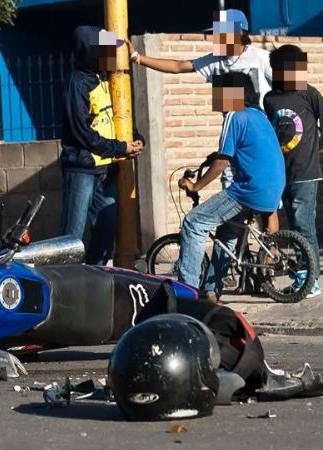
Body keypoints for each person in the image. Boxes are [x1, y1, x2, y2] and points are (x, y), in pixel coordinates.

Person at [126, 9, 273, 300]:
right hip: (243, 150)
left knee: (202, 221)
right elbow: (181, 65)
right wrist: (138, 59)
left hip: (256, 147)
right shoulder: (217, 62)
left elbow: (288, 87)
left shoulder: (260, 59)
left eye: (222, 34)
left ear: (239, 34)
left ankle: (188, 291)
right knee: (230, 226)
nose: (217, 39)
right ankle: (212, 288)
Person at [176, 72, 284, 291]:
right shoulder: (258, 115)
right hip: (274, 187)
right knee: (227, 231)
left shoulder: (234, 116)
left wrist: (196, 186)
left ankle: (185, 291)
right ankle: (211, 291)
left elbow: (223, 162)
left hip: (248, 190)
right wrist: (214, 157)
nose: (214, 98)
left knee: (194, 223)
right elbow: (240, 149)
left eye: (217, 93)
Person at [59, 25, 144, 265]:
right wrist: (120, 148)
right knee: (72, 234)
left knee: (107, 227)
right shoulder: (77, 84)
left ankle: (94, 276)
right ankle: (65, 283)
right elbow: (82, 133)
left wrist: (135, 138)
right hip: (82, 167)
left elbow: (115, 117)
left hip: (106, 168)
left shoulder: (107, 79)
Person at [263, 45, 323, 298]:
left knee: (304, 226)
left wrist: (311, 151)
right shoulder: (271, 99)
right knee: (294, 228)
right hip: (281, 172)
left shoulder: (309, 94)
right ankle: (304, 276)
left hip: (306, 173)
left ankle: (311, 279)